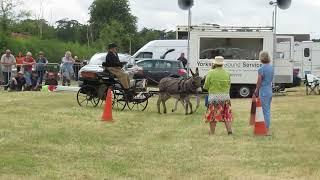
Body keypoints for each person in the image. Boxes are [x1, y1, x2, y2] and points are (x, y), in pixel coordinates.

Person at [204, 56, 233, 135]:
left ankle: (212, 132)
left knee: (213, 115)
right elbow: (229, 84)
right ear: (222, 64)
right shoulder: (227, 73)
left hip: (214, 97)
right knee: (227, 114)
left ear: (215, 64)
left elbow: (206, 86)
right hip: (225, 97)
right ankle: (229, 131)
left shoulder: (210, 72)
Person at [254, 51, 274, 135]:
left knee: (264, 111)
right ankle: (266, 128)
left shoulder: (261, 69)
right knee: (267, 110)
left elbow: (259, 81)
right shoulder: (271, 68)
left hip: (263, 90)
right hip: (269, 89)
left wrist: (256, 90)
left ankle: (265, 130)